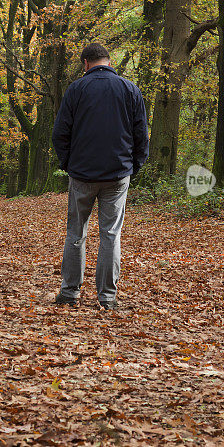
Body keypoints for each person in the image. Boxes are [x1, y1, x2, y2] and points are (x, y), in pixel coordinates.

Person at [51, 43, 149, 310]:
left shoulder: (76, 90)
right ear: (109, 60)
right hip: (117, 174)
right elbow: (141, 135)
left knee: (75, 234)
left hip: (82, 174)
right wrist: (133, 166)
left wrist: (69, 164)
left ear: (85, 63)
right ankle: (107, 298)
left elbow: (60, 133)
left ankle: (69, 293)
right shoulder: (130, 89)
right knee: (110, 235)